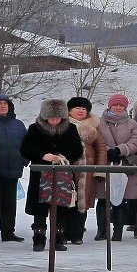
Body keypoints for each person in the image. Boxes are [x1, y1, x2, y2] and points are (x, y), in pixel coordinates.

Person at [21, 99, 84, 252]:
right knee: (40, 208)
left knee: (61, 207)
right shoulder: (34, 129)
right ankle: (39, 239)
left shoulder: (71, 129)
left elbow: (77, 150)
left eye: (58, 118)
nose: (55, 121)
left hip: (63, 174)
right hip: (40, 175)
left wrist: (63, 156)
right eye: (52, 117)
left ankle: (58, 239)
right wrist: (42, 155)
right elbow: (25, 149)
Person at [0, 94, 27, 242]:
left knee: (9, 204)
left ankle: (8, 232)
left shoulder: (18, 125)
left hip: (13, 169)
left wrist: (23, 160)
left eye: (5, 103)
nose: (2, 106)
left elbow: (27, 145)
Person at [96, 94, 137, 242]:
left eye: (122, 105)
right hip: (105, 162)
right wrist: (108, 150)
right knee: (103, 198)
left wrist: (120, 150)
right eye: (116, 105)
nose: (119, 107)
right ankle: (102, 230)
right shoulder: (99, 122)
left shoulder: (132, 124)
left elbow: (135, 141)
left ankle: (117, 231)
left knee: (122, 198)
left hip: (126, 164)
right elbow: (97, 139)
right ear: (110, 106)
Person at [65, 96, 106, 244]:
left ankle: (77, 235)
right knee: (65, 201)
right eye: (77, 108)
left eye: (84, 108)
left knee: (83, 204)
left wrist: (99, 170)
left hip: (86, 170)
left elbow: (101, 148)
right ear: (69, 110)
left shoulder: (94, 125)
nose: (81, 110)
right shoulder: (62, 123)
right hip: (67, 168)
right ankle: (62, 233)